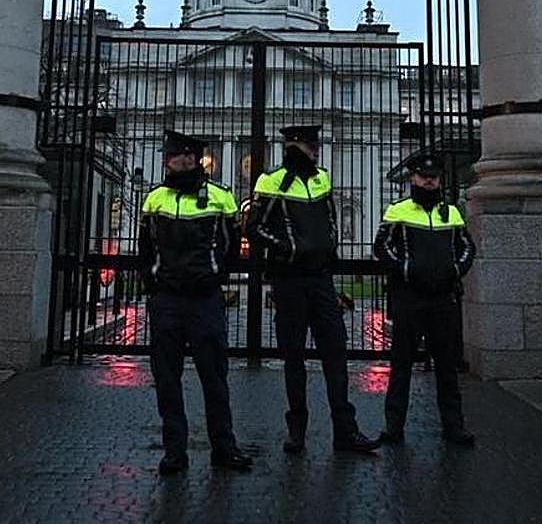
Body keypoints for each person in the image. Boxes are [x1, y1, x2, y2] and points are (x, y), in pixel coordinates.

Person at [247, 125, 379, 455]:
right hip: (289, 279)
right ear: (295, 146)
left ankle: (345, 430)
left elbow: (330, 218)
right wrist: (288, 248)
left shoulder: (321, 178)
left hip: (320, 278)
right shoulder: (271, 180)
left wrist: (329, 247)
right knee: (294, 357)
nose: (316, 149)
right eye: (310, 145)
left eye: (315, 144)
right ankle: (297, 428)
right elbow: (254, 227)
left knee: (336, 352)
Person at [137, 129, 254, 475]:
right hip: (168, 299)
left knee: (214, 376)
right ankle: (175, 450)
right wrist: (154, 282)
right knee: (167, 379)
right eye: (178, 155)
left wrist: (215, 274)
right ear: (167, 161)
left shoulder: (221, 197)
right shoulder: (154, 199)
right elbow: (146, 248)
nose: (185, 160)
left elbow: (231, 245)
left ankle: (224, 445)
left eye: (190, 155)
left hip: (204, 298)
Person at [373, 150, 476, 446]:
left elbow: (467, 247)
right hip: (409, 297)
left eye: (434, 177)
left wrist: (456, 269)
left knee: (447, 366)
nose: (429, 182)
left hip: (443, 298)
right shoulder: (398, 210)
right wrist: (406, 269)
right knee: (401, 364)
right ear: (413, 178)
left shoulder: (452, 212)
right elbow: (383, 247)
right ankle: (394, 425)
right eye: (424, 176)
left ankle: (454, 425)